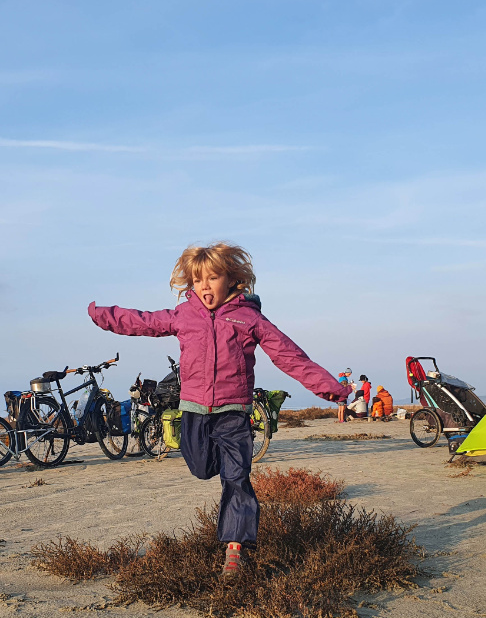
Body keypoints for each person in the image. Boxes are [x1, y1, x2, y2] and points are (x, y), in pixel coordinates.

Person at [88, 243, 346, 576]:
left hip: (234, 412)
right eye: (198, 280)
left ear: (232, 279)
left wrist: (331, 388)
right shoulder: (185, 315)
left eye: (213, 277)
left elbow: (289, 355)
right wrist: (103, 316)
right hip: (195, 410)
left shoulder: (248, 317)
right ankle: (222, 482)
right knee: (201, 468)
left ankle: (235, 549)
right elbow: (144, 322)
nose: (205, 286)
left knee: (237, 478)